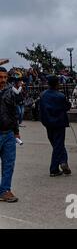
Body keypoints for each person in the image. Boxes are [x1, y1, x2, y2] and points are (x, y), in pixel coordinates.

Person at [39, 75, 72, 177]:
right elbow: (67, 106)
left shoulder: (43, 95)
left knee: (56, 144)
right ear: (57, 84)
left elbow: (41, 109)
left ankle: (63, 161)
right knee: (59, 145)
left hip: (48, 123)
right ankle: (54, 169)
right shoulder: (60, 96)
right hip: (59, 123)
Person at [0, 66, 20, 202]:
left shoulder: (10, 92)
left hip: (8, 133)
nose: (2, 80)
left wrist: (16, 132)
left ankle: (5, 190)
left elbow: (14, 113)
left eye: (5, 77)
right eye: (0, 77)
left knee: (9, 164)